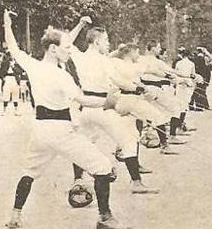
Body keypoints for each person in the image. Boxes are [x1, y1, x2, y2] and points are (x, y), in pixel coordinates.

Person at [1, 10, 133, 229]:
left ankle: (15, 215)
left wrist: (7, 25)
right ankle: (105, 218)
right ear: (54, 50)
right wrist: (107, 102)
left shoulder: (33, 65)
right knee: (102, 168)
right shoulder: (61, 75)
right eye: (65, 48)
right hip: (60, 130)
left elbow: (13, 47)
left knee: (29, 171)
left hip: (40, 130)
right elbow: (82, 99)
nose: (69, 50)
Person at [64, 17, 158, 196]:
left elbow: (67, 41)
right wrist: (141, 88)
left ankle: (78, 180)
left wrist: (80, 24)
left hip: (85, 109)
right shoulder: (104, 61)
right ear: (97, 41)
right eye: (106, 40)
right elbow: (120, 81)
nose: (108, 44)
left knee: (82, 142)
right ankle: (136, 182)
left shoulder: (81, 57)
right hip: (103, 108)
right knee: (129, 141)